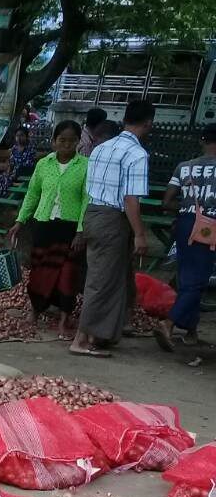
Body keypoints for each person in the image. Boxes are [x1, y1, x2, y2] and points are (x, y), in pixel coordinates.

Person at [70, 99, 156, 357]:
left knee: (115, 277)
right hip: (112, 219)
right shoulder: (137, 154)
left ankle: (102, 333)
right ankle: (81, 339)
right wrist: (140, 234)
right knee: (102, 280)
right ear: (149, 123)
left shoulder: (101, 148)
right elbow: (131, 200)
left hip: (93, 214)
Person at [6, 121, 88, 339]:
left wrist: (81, 230)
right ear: (54, 142)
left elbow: (87, 200)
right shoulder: (44, 164)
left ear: (78, 142)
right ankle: (35, 311)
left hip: (69, 227)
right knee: (40, 271)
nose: (67, 145)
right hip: (43, 223)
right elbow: (32, 194)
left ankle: (64, 319)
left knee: (68, 274)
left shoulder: (85, 166)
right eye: (62, 140)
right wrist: (20, 221)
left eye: (72, 141)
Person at [156, 124, 216, 350]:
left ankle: (191, 330)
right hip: (210, 227)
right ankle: (168, 323)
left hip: (185, 223)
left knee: (186, 275)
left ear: (202, 140)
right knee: (198, 280)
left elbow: (166, 201)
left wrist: (185, 211)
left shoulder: (185, 167)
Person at [0, 126, 36, 196]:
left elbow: (29, 165)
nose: (19, 138)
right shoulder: (14, 148)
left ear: (26, 136)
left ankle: (4, 200)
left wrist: (12, 173)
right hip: (13, 174)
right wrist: (7, 173)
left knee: (5, 181)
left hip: (24, 174)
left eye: (21, 135)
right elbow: (11, 163)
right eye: (17, 136)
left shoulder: (31, 148)